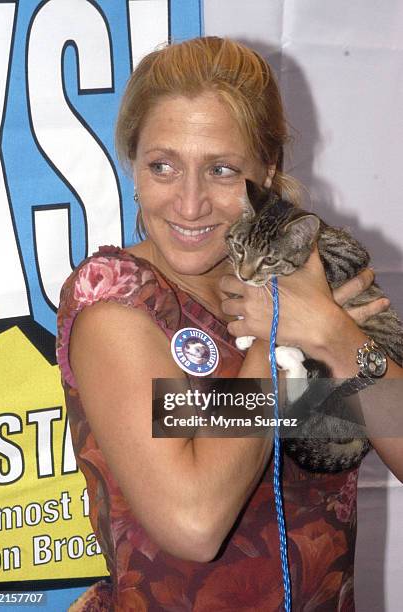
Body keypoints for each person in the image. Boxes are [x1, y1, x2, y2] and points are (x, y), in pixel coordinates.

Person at [56, 37, 403, 611]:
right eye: (162, 165)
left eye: (221, 170)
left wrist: (335, 336)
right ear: (134, 166)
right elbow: (192, 522)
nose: (189, 205)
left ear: (267, 173)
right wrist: (276, 342)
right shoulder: (118, 300)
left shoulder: (315, 275)